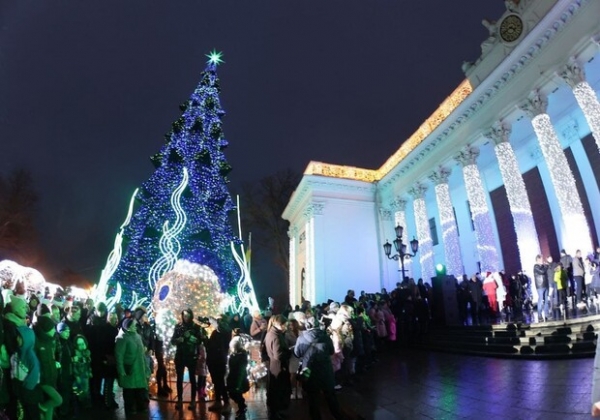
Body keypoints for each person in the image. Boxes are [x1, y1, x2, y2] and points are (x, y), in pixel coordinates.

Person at [293, 312, 345, 420]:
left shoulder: (301, 338)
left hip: (310, 372)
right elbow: (331, 352)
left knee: (313, 399)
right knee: (331, 397)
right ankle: (338, 416)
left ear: (307, 325)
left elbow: (297, 353)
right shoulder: (325, 337)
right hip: (326, 371)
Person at [115, 318, 150, 417]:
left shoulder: (137, 336)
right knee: (129, 391)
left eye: (135, 325)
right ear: (127, 327)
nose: (135, 327)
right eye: (133, 325)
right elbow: (119, 355)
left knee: (139, 389)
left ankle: (140, 406)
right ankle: (130, 409)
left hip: (139, 367)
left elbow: (142, 353)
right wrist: (121, 370)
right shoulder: (122, 338)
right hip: (129, 368)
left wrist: (146, 367)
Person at [170, 309, 202, 410]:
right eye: (184, 315)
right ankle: (179, 400)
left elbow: (200, 341)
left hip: (191, 356)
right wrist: (178, 340)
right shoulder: (178, 326)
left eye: (187, 315)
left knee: (192, 379)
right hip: (180, 355)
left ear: (191, 316)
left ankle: (193, 400)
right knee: (179, 379)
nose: (185, 317)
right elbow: (172, 340)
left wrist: (190, 337)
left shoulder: (196, 327)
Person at [264, 314, 291, 419]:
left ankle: (275, 412)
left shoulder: (270, 333)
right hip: (278, 367)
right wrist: (289, 352)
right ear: (278, 324)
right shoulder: (276, 336)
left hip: (273, 366)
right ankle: (275, 413)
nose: (285, 327)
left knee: (274, 390)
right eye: (284, 325)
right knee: (278, 391)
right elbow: (278, 355)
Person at [206, 315, 232, 413]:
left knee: (220, 381)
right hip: (212, 359)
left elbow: (223, 331)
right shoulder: (215, 332)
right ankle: (218, 401)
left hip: (220, 360)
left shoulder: (226, 331)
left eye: (219, 321)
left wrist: (215, 323)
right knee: (216, 382)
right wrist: (204, 338)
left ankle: (226, 403)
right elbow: (209, 345)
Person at [227, 335, 250, 419]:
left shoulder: (241, 356)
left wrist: (238, 384)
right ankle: (242, 407)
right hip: (233, 378)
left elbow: (241, 371)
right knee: (233, 394)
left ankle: (242, 408)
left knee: (236, 394)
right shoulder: (234, 355)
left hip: (238, 380)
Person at [72, 334, 92, 409]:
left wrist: (90, 372)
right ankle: (82, 403)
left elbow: (88, 364)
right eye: (79, 344)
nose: (81, 346)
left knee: (86, 389)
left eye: (83, 343)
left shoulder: (87, 352)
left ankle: (86, 403)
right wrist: (77, 376)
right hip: (79, 375)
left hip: (86, 374)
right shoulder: (76, 354)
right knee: (80, 390)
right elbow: (74, 366)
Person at [534, 255, 550, 322]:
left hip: (545, 285)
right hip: (540, 286)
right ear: (537, 260)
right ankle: (539, 315)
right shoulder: (536, 267)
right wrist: (546, 266)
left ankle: (547, 315)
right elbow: (542, 272)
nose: (542, 261)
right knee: (540, 300)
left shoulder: (543, 266)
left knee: (546, 301)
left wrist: (546, 266)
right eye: (540, 260)